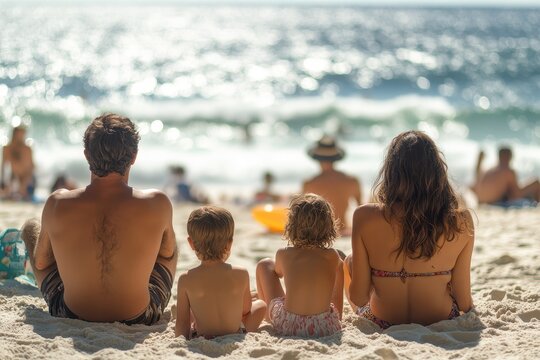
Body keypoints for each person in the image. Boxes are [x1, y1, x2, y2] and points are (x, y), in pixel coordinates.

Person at [20, 113, 177, 325]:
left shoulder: (57, 202)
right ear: (134, 157)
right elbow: (166, 254)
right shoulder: (157, 202)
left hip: (69, 313)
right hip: (139, 316)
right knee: (170, 247)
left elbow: (41, 262)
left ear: (86, 155)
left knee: (31, 227)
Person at [345, 131, 474, 329]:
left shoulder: (364, 217)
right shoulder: (462, 222)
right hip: (441, 319)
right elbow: (464, 302)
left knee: (349, 260)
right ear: (437, 172)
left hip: (382, 321)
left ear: (391, 172)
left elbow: (359, 298)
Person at [256, 193, 343, 337]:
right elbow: (336, 291)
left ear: (291, 225)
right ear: (329, 226)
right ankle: (335, 316)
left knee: (264, 265)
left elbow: (277, 273)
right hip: (325, 326)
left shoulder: (284, 254)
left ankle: (267, 315)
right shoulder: (333, 255)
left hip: (290, 326)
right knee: (337, 269)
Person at [175, 206, 266, 339]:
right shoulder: (241, 273)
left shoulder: (186, 279)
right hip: (234, 334)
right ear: (229, 244)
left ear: (191, 243)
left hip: (202, 336)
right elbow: (246, 309)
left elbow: (182, 322)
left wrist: (182, 339)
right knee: (261, 305)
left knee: (188, 310)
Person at [303, 136, 361, 232]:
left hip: (319, 235)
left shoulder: (309, 183)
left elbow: (304, 217)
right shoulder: (352, 181)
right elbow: (361, 212)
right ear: (336, 158)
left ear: (317, 158)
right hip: (342, 231)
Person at [472, 147, 539, 207]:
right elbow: (516, 195)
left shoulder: (489, 170)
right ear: (509, 157)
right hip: (494, 202)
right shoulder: (508, 170)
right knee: (536, 183)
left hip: (481, 201)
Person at [1, 126, 35, 201]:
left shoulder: (27, 149)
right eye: (21, 134)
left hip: (27, 180)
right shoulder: (7, 148)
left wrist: (24, 185)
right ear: (15, 134)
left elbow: (31, 169)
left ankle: (17, 191)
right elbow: (3, 167)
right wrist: (3, 183)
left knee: (21, 191)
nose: (23, 136)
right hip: (13, 179)